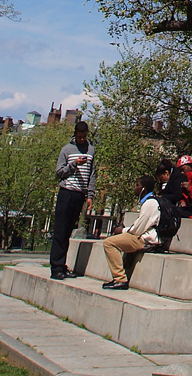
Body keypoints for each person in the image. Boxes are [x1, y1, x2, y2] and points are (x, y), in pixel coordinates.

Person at [49, 120, 96, 280]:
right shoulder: (67, 149)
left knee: (69, 231)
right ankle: (56, 267)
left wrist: (90, 195)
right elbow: (59, 173)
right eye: (79, 137)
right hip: (66, 192)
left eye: (84, 137)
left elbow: (92, 174)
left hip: (79, 194)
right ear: (75, 134)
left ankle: (63, 265)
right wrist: (74, 164)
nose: (81, 139)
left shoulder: (91, 150)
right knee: (60, 231)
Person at [101, 175, 160, 290]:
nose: (135, 188)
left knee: (109, 243)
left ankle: (120, 279)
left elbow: (138, 229)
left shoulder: (150, 203)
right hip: (144, 237)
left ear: (144, 189)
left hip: (146, 239)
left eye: (137, 185)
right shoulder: (149, 202)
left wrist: (121, 230)